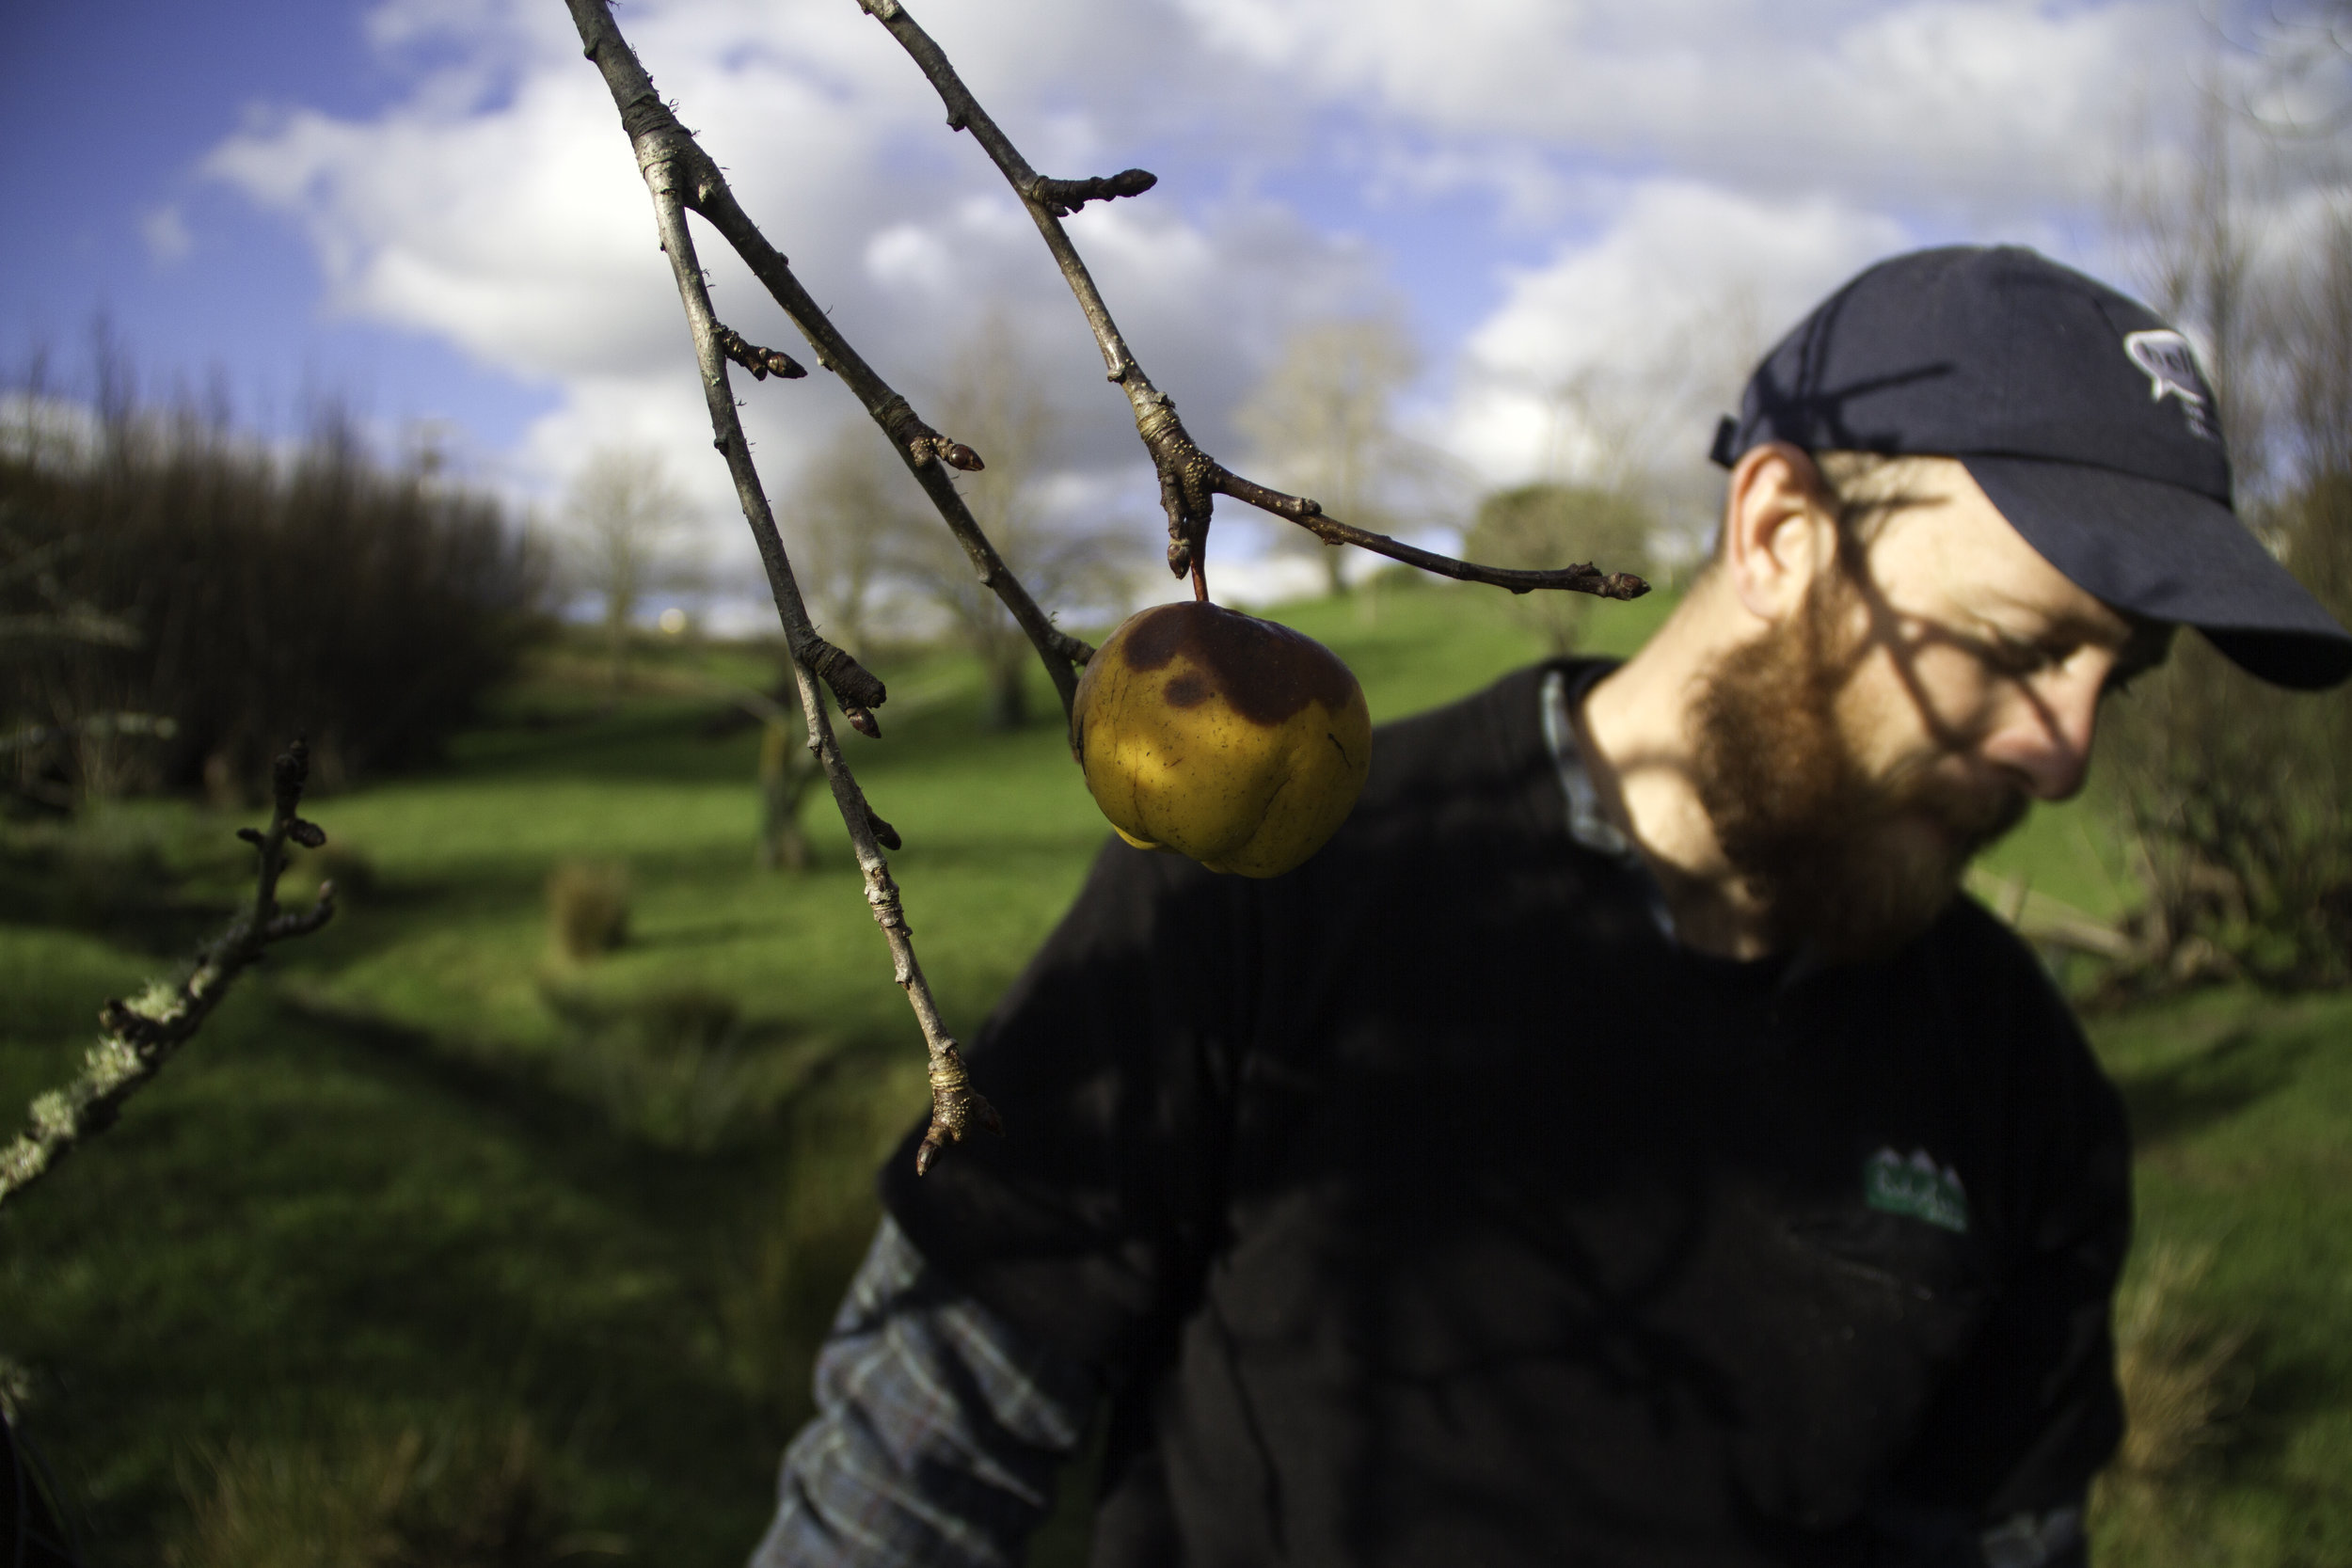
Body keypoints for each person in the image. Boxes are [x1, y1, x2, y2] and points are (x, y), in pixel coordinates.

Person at [748, 246, 2352, 1568]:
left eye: (2117, 681)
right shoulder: (1290, 887)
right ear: (1783, 532)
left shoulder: (2028, 1095)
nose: (2066, 754)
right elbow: (923, 1437)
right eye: (2015, 647)